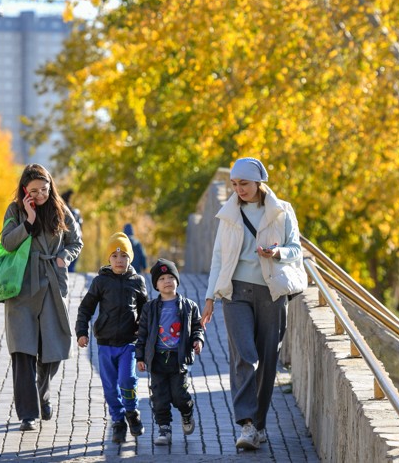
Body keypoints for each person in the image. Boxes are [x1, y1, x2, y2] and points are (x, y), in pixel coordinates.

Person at [200, 157, 303, 450]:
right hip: (235, 293)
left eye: (243, 183)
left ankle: (258, 425)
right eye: (234, 184)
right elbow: (218, 258)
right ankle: (246, 424)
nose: (238, 189)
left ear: (259, 182)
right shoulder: (228, 214)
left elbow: (297, 249)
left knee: (267, 361)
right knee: (245, 356)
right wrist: (209, 297)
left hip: (272, 293)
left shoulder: (282, 211)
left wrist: (277, 252)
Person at [1, 163, 83, 432]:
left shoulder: (60, 209)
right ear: (25, 190)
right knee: (22, 350)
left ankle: (43, 393)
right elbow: (7, 242)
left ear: (50, 187)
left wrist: (64, 258)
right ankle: (27, 414)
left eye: (44, 190)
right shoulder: (15, 210)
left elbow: (76, 241)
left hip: (51, 284)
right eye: (33, 191)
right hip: (22, 287)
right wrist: (29, 221)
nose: (39, 195)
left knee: (53, 348)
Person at [75, 232, 149, 443]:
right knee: (109, 387)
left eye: (124, 255)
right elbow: (86, 308)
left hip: (128, 343)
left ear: (130, 258)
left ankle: (132, 413)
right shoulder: (100, 281)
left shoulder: (137, 281)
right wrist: (82, 332)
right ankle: (118, 421)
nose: (119, 260)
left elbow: (146, 312)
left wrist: (144, 336)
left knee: (128, 379)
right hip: (105, 343)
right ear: (109, 258)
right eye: (115, 255)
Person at [136, 258, 204, 446]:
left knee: (179, 395)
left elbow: (198, 327)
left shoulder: (189, 306)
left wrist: (198, 340)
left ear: (177, 280)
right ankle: (164, 429)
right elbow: (142, 334)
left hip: (178, 359)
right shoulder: (149, 308)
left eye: (170, 277)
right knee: (159, 397)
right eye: (162, 278)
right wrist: (140, 357)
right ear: (156, 285)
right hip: (156, 359)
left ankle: (187, 412)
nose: (167, 281)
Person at [61, 190, 83, 272]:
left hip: (65, 240)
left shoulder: (62, 212)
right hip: (75, 238)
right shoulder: (75, 212)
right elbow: (80, 226)